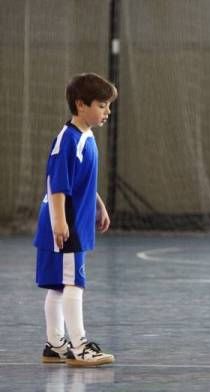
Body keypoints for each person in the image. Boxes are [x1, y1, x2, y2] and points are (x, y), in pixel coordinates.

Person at [34, 73, 118, 366]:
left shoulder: (86, 136)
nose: (107, 111)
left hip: (72, 219)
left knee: (59, 284)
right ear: (81, 105)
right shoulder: (67, 140)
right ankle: (80, 347)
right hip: (65, 220)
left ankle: (56, 344)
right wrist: (59, 222)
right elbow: (57, 184)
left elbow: (82, 181)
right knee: (73, 283)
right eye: (102, 105)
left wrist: (99, 205)